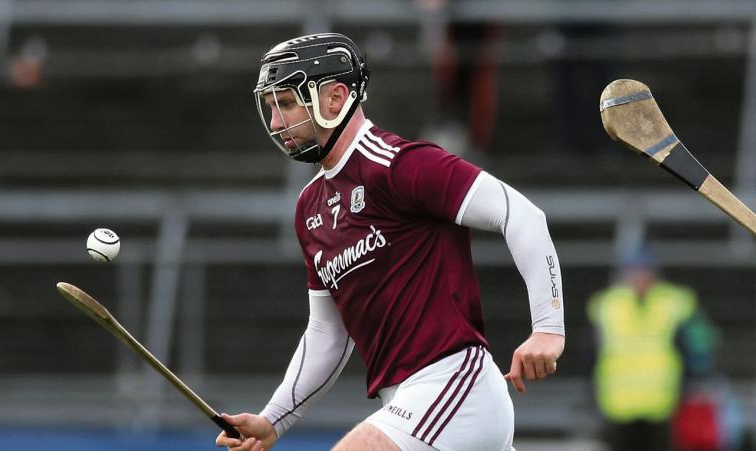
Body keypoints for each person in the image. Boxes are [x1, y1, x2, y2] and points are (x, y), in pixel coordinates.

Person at [216, 33, 565, 451]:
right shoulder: (309, 207)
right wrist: (274, 419)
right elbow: (328, 332)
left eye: (287, 104)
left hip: (453, 386)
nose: (275, 123)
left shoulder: (399, 165)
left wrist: (548, 328)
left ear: (335, 98)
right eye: (272, 107)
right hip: (406, 403)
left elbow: (521, 215)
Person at [586, 248, 715, 451]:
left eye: (644, 272)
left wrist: (692, 384)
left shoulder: (673, 303)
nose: (640, 279)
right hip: (617, 405)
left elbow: (699, 345)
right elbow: (592, 355)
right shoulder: (607, 305)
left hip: (661, 406)